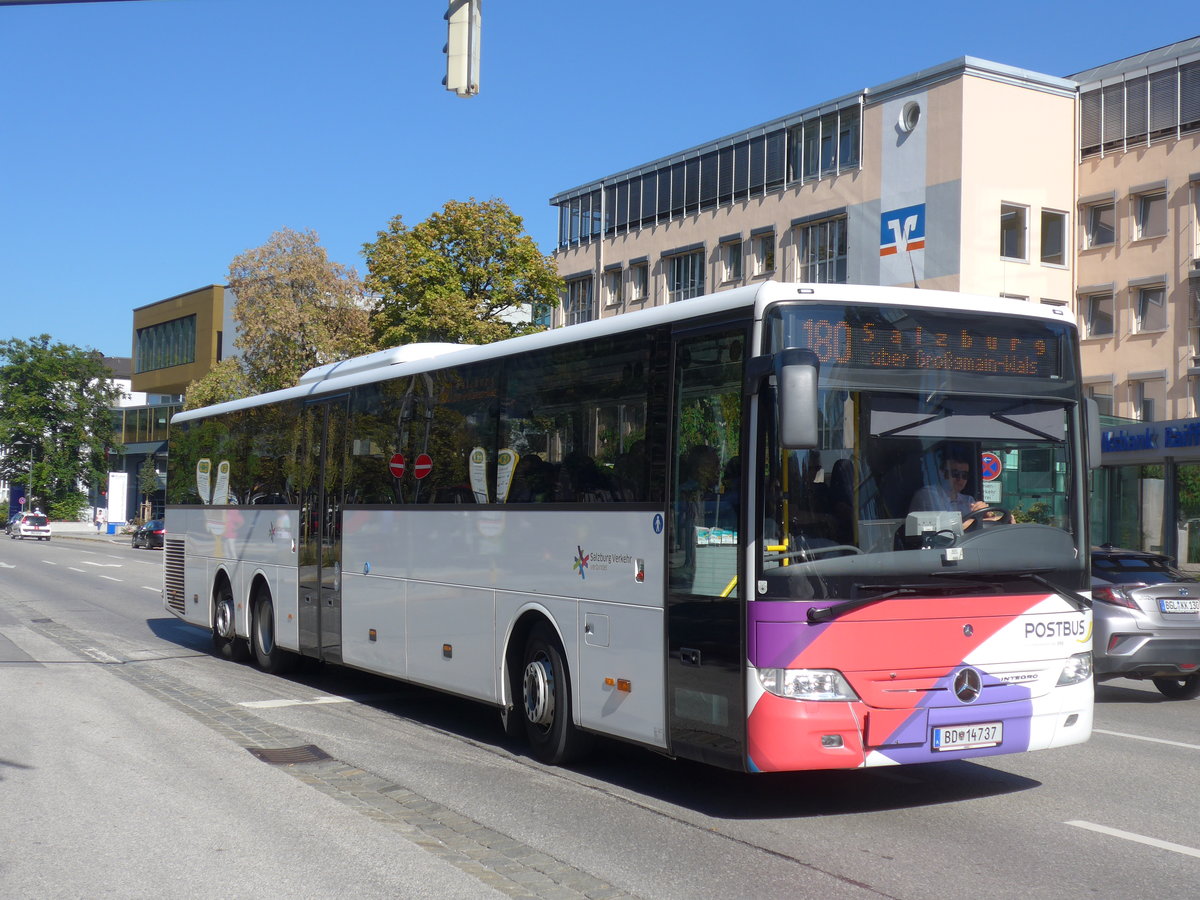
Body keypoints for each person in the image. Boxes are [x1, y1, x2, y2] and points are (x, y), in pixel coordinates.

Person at [909, 451, 1009, 529]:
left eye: (964, 475)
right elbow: (947, 527)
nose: (960, 479)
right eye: (955, 474)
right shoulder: (928, 495)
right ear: (941, 473)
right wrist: (994, 521)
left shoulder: (968, 500)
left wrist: (987, 515)